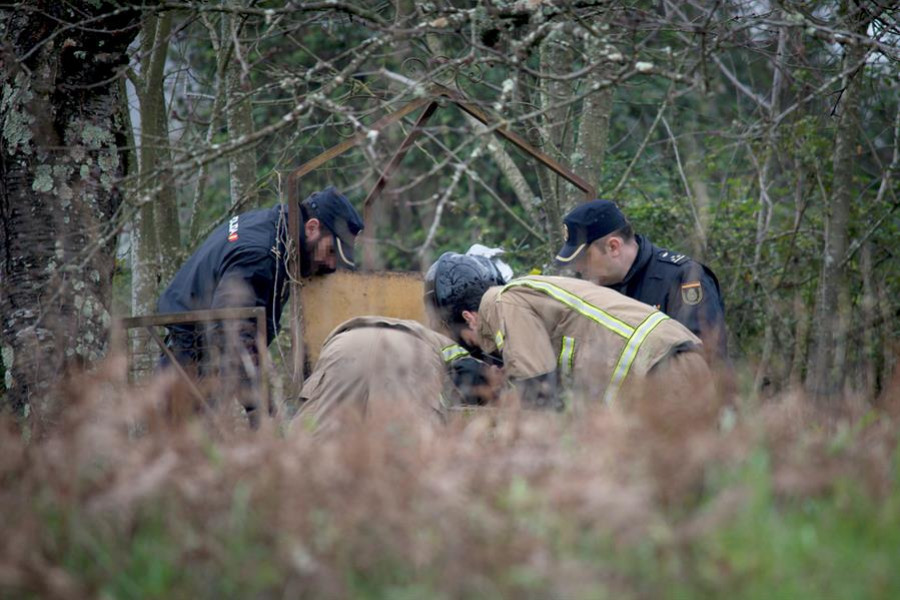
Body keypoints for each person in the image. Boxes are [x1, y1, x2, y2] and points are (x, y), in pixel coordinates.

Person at [157, 186, 364, 425]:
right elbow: (232, 337)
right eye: (330, 251)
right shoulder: (261, 255)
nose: (330, 264)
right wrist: (264, 413)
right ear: (312, 228)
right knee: (184, 453)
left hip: (192, 353)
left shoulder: (271, 226)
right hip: (190, 363)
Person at [425, 252, 715, 413]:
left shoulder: (502, 303)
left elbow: (538, 397)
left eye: (471, 342)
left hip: (660, 372)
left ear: (470, 319)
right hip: (683, 360)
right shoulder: (533, 293)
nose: (488, 351)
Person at [555, 200, 728, 361]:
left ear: (613, 246)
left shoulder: (682, 278)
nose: (578, 268)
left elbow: (702, 362)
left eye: (584, 258)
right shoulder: (595, 289)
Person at [295, 316, 501, 432]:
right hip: (409, 351)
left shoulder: (425, 330)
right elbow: (472, 373)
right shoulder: (450, 348)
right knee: (412, 452)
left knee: (316, 442)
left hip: (345, 342)